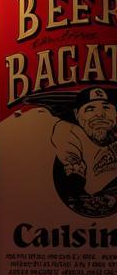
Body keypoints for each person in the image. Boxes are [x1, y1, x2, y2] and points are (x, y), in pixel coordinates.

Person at [51, 86, 117, 217]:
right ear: (76, 114)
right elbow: (74, 184)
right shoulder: (67, 132)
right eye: (90, 109)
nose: (100, 114)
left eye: (106, 107)